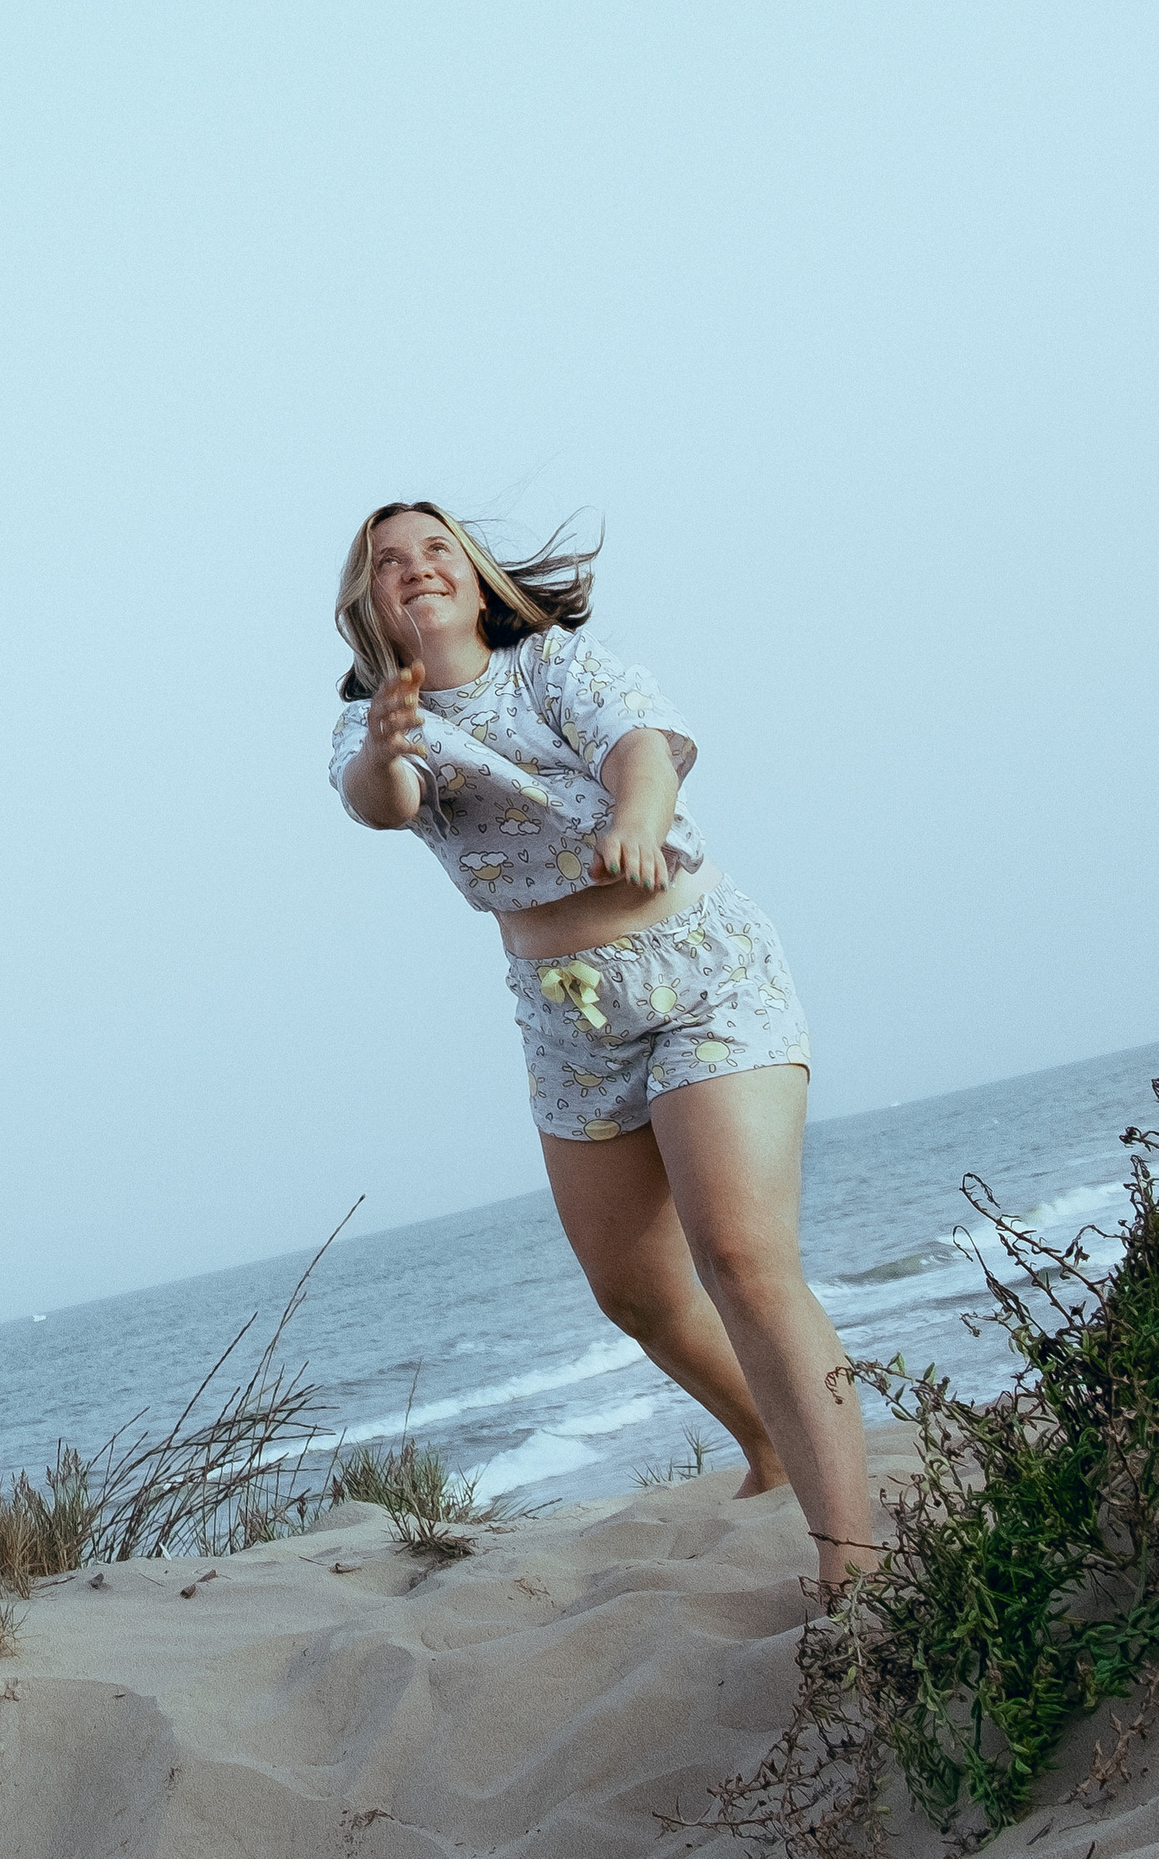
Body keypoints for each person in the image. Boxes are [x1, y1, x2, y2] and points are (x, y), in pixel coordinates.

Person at [329, 503, 875, 1593]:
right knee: (633, 1291)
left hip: (695, 966)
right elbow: (380, 803)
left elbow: (640, 746)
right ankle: (766, 1440)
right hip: (565, 1013)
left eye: (435, 548)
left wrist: (635, 813)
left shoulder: (554, 667)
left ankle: (854, 1559)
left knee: (738, 1255)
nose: (415, 567)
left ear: (479, 582)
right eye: (387, 562)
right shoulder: (374, 724)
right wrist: (390, 749)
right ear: (368, 610)